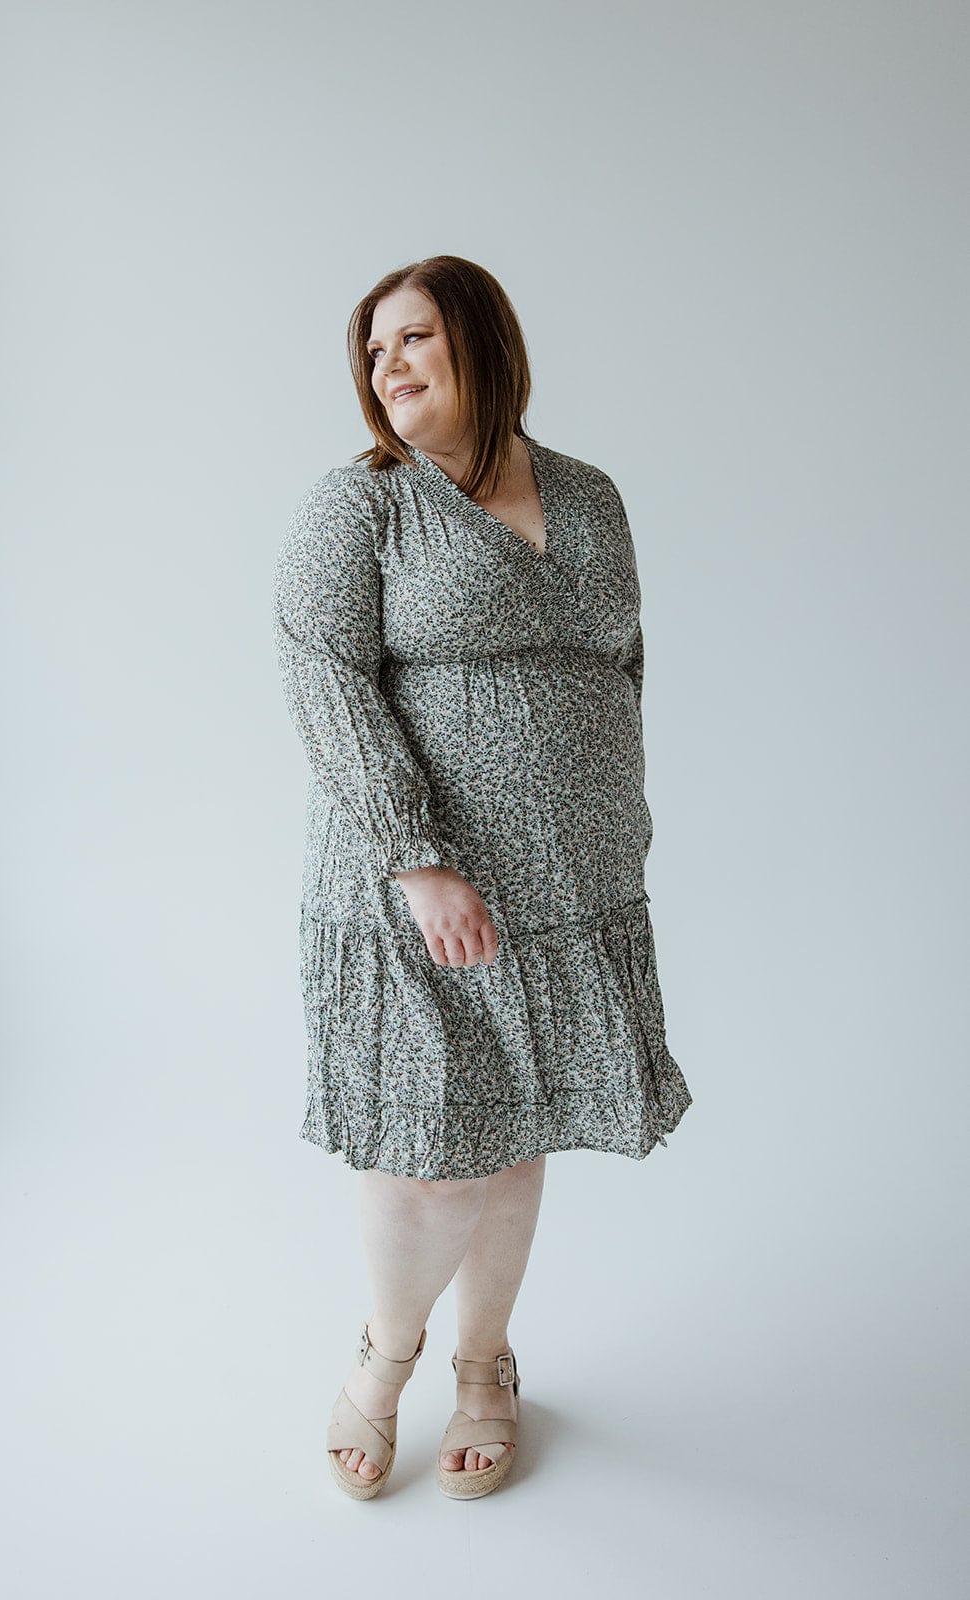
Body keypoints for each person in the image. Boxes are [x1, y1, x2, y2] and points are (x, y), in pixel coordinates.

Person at [271, 255, 692, 1501]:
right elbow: (324, 684)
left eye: (411, 339)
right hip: (415, 894)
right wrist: (418, 861)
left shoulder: (588, 494)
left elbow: (618, 667)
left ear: (481, 341)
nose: (386, 366)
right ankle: (383, 1358)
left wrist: (617, 820)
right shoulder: (360, 510)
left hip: (569, 887)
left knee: (512, 1140)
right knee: (430, 1154)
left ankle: (483, 1365)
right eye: (372, 351)